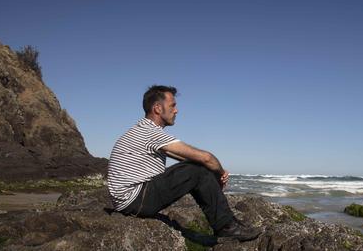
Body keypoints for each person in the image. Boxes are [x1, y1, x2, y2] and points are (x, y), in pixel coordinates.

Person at [107, 85, 262, 242]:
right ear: (157, 108)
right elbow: (205, 158)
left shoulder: (143, 130)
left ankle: (230, 223)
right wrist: (221, 172)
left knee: (199, 168)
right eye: (172, 105)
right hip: (135, 200)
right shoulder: (150, 132)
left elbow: (185, 159)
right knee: (199, 169)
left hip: (130, 199)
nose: (176, 110)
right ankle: (226, 228)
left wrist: (212, 174)